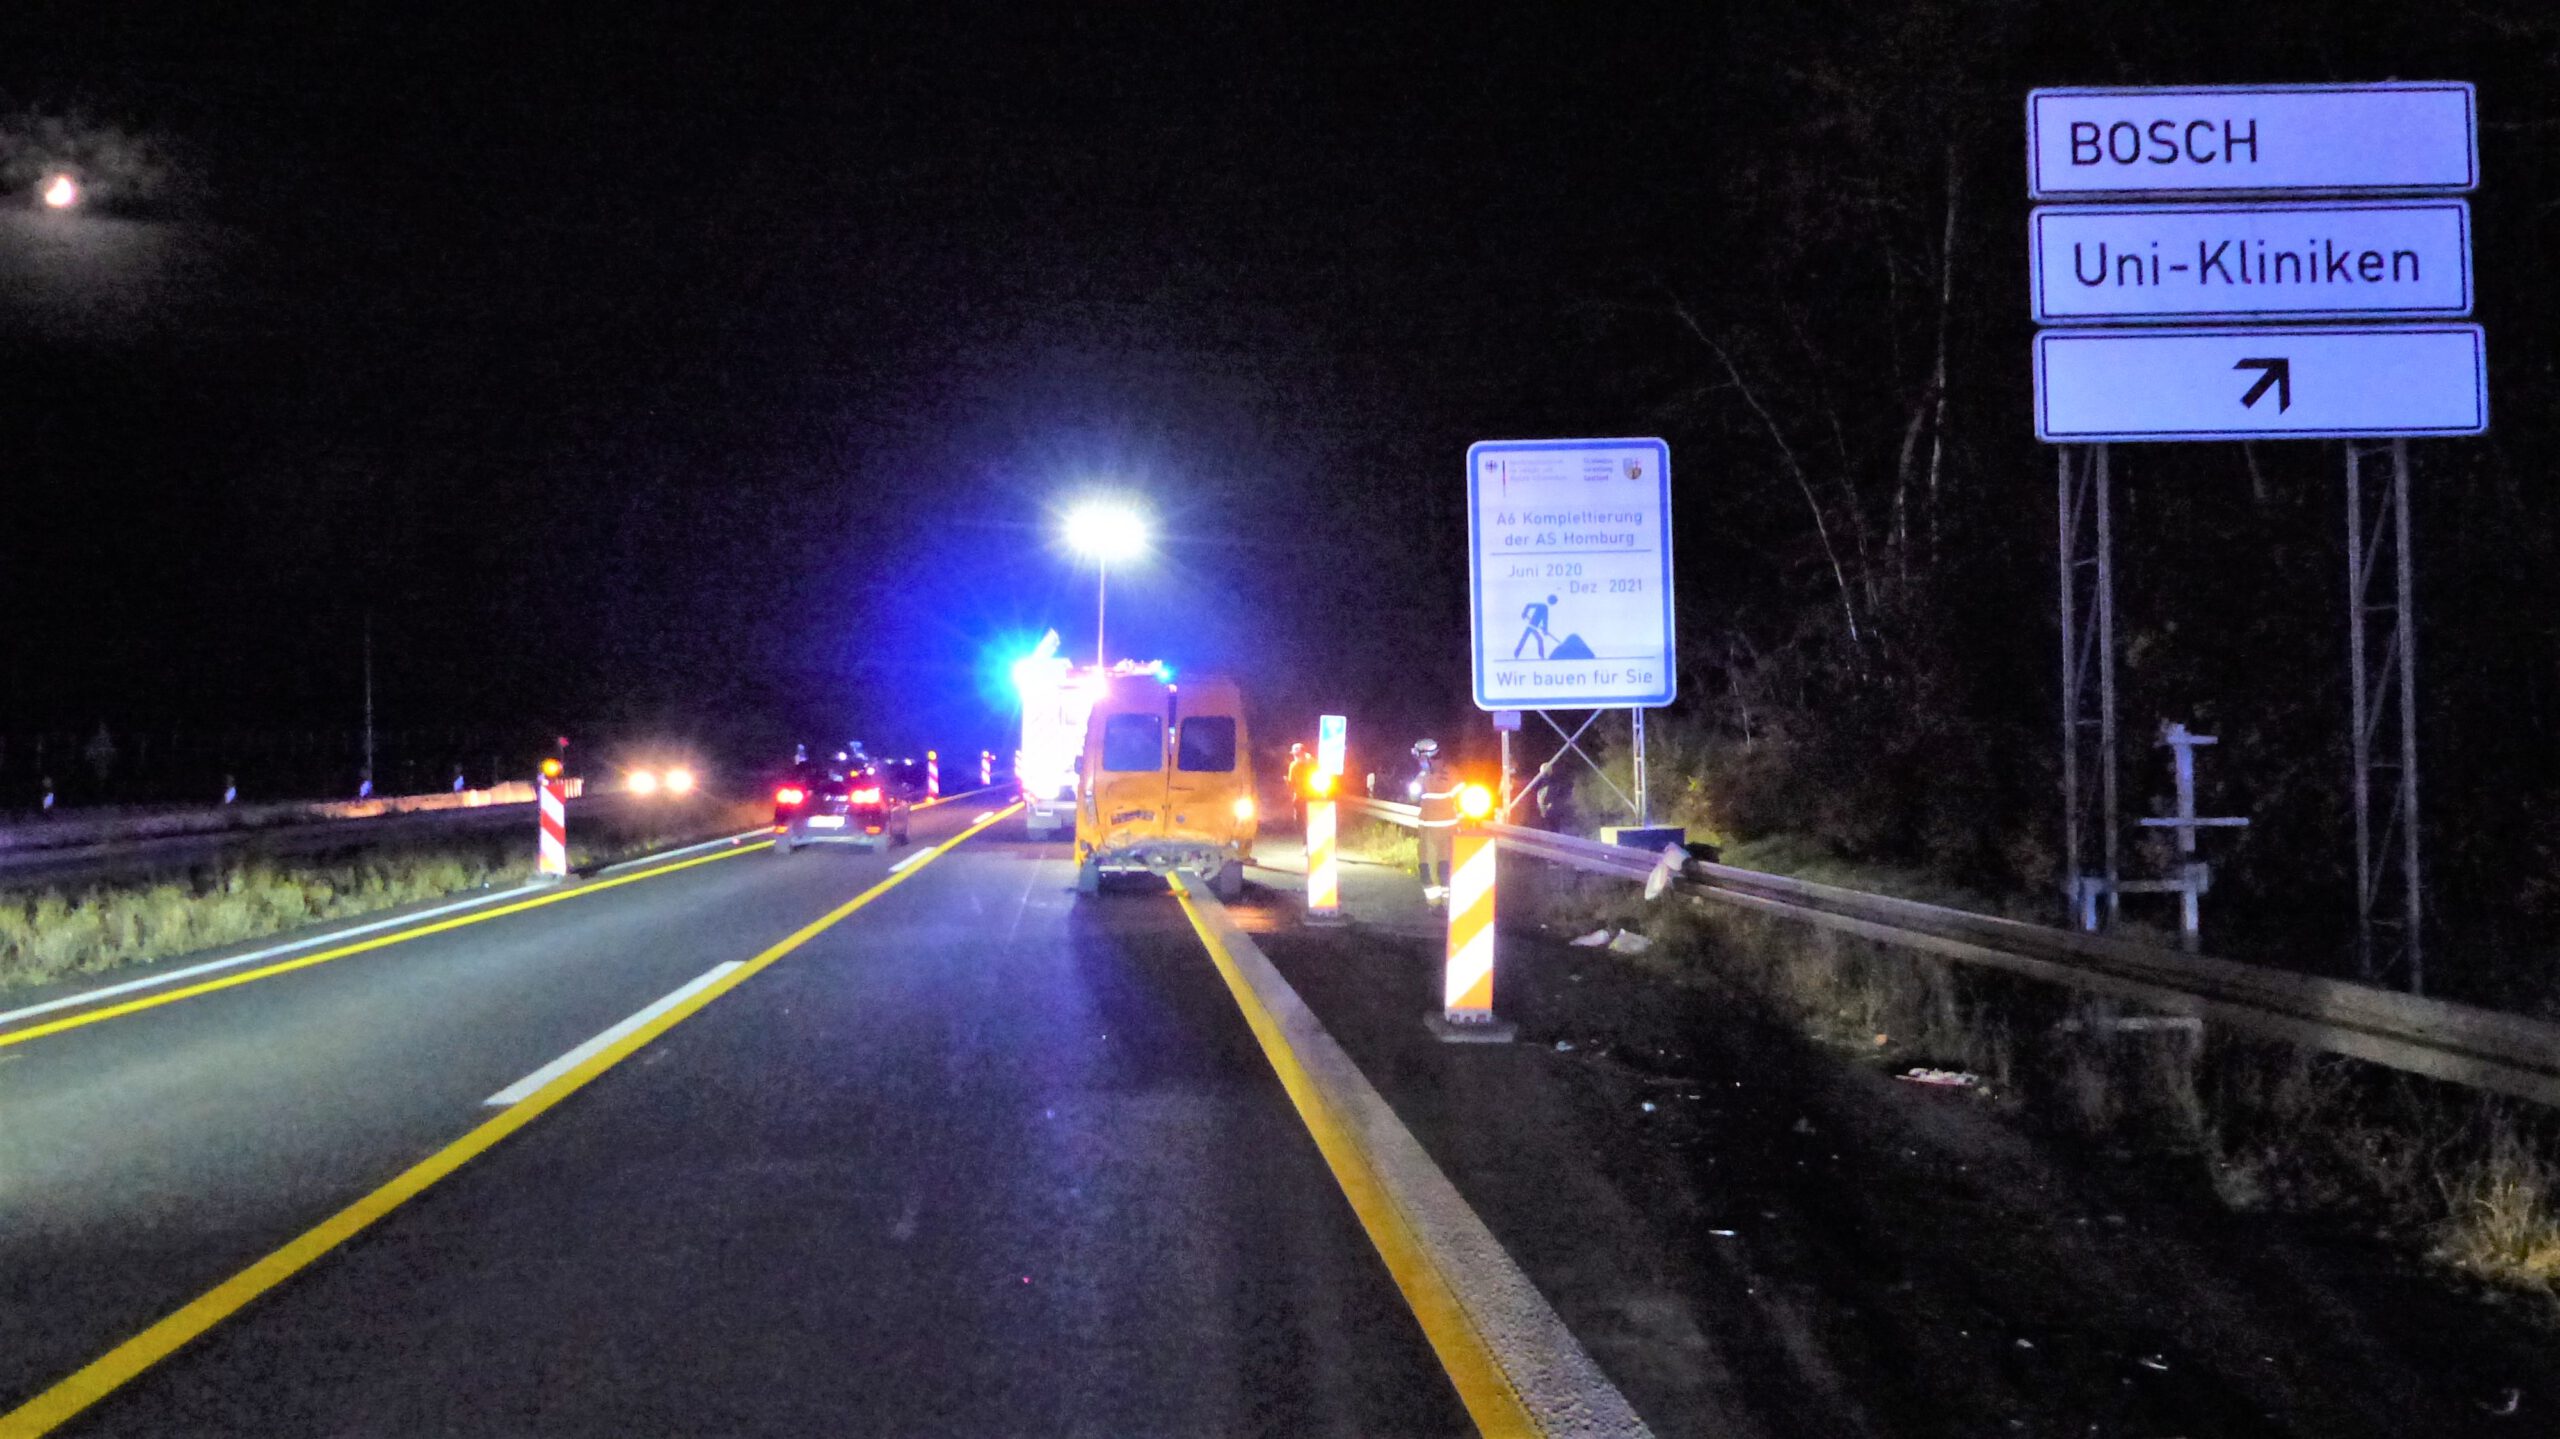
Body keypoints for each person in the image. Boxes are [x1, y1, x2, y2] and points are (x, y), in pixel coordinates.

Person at [1410, 738, 1461, 905]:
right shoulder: (1452, 772)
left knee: (1428, 868)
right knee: (1446, 866)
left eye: (1419, 756)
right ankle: (1448, 905)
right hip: (1448, 829)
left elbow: (1412, 796)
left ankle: (1436, 905)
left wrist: (1421, 778)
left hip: (1431, 830)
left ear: (1425, 756)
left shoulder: (1424, 777)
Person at [1283, 742, 1311, 829]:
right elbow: (1292, 784)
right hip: (1307, 796)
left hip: (1306, 796)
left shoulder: (1294, 765)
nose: (1295, 756)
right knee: (1302, 820)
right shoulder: (1294, 765)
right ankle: (1305, 837)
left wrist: (1287, 781)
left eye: (1296, 755)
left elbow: (1291, 784)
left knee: (1302, 819)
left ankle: (1305, 836)